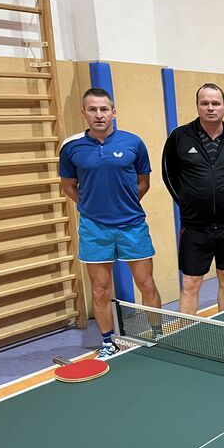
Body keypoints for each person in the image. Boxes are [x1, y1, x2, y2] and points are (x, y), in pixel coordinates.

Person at [59, 88, 162, 359]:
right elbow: (68, 186)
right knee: (100, 289)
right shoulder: (71, 148)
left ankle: (157, 335)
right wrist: (90, 207)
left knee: (146, 283)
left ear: (113, 112)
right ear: (84, 113)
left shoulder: (133, 143)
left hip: (132, 225)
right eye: (92, 109)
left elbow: (144, 182)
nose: (99, 114)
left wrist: (125, 204)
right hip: (94, 229)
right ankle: (107, 343)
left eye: (104, 109)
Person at [162, 83, 224, 314]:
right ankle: (188, 331)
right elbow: (169, 175)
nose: (210, 108)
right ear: (197, 106)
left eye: (215, 103)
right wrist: (187, 201)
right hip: (195, 225)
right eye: (205, 103)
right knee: (191, 282)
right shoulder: (179, 137)